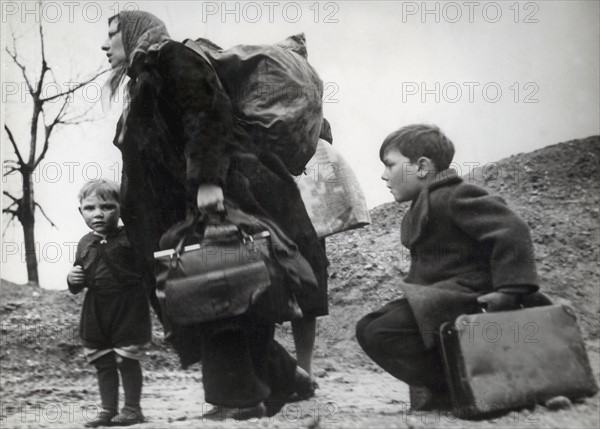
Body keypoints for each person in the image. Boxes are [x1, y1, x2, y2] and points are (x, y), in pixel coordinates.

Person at [100, 11, 327, 419]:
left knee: (226, 285)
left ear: (133, 33)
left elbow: (207, 110)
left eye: (112, 34)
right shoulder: (144, 78)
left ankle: (243, 397)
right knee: (208, 291)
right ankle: (278, 381)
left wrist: (208, 182)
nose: (105, 45)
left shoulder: (171, 57)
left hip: (220, 191)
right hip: (187, 204)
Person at [355, 124, 549, 411]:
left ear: (421, 167)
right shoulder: (426, 201)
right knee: (370, 326)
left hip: (471, 299)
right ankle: (455, 386)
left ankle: (470, 385)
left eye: (390, 165)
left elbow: (512, 230)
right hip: (441, 298)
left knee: (380, 332)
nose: (384, 175)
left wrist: (510, 289)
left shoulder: (455, 195)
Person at [67, 179, 151, 427]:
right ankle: (108, 409)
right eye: (90, 208)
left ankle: (133, 409)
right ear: (80, 211)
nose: (99, 214)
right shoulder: (84, 242)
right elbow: (79, 277)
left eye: (107, 207)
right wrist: (72, 279)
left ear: (121, 208)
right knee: (103, 360)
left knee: (127, 358)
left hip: (129, 306)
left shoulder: (131, 237)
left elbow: (147, 268)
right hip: (96, 308)